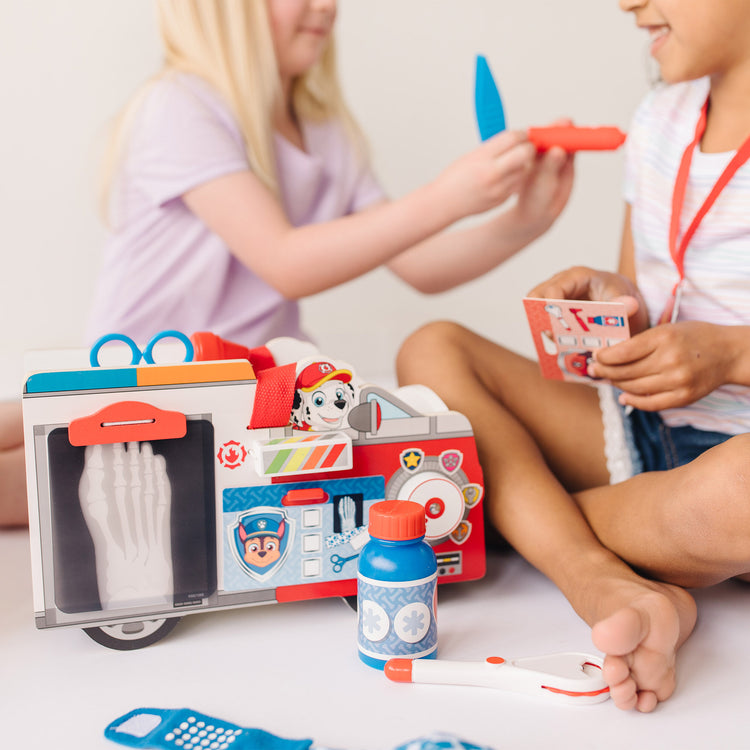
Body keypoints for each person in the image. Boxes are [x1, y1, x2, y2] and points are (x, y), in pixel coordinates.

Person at [0, 0, 574, 527]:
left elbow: (418, 264)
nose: (327, 7)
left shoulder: (324, 129)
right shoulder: (180, 107)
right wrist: (449, 196)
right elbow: (285, 261)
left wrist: (523, 220)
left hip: (253, 393)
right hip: (145, 377)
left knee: (46, 466)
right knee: (42, 457)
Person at [397, 0, 750, 713]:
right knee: (430, 347)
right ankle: (593, 570)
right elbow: (645, 298)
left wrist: (733, 355)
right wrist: (616, 305)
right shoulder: (661, 119)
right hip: (644, 429)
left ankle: (525, 517)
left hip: (734, 467)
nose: (628, 2)